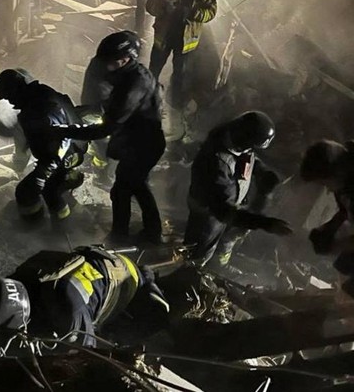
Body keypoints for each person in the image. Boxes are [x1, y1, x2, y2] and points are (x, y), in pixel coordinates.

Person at [54, 31, 165, 243]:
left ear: (126, 59)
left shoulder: (135, 84)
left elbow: (107, 127)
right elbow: (108, 103)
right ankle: (151, 232)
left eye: (111, 62)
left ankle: (121, 237)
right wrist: (86, 109)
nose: (106, 67)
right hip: (140, 142)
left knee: (122, 190)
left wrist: (66, 131)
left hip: (142, 146)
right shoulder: (130, 74)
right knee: (138, 187)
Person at [0, 245, 169, 347]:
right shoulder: (19, 278)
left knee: (158, 315)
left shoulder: (68, 309)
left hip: (130, 280)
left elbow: (83, 357)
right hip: (99, 263)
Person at [185, 111, 292, 267]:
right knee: (200, 251)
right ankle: (191, 274)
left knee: (226, 242)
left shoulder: (237, 137)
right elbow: (223, 212)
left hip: (230, 207)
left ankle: (217, 268)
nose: (252, 150)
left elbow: (249, 158)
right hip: (209, 214)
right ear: (246, 140)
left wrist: (262, 172)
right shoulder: (216, 162)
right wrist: (264, 223)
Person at [0, 69, 87, 227]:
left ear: (16, 90)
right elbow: (15, 132)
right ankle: (77, 217)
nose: (10, 103)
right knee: (50, 187)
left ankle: (43, 229)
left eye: (9, 97)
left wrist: (40, 172)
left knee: (31, 192)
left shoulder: (37, 109)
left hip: (63, 156)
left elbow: (57, 141)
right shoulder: (42, 95)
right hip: (73, 150)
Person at [146, 0, 217, 111]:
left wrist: (191, 13)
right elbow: (150, 5)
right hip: (164, 37)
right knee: (154, 69)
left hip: (186, 43)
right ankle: (147, 99)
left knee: (180, 75)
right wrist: (164, 8)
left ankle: (174, 104)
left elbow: (211, 12)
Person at [300, 140, 354, 296]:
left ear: (337, 172)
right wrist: (329, 228)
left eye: (325, 183)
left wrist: (335, 246)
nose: (328, 190)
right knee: (343, 265)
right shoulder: (345, 182)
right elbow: (345, 210)